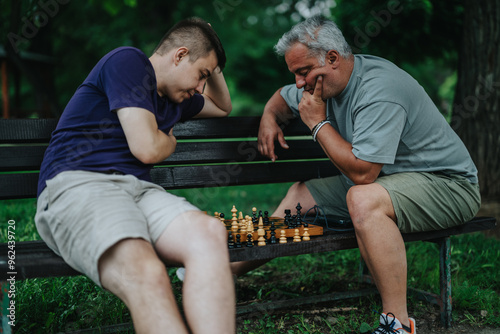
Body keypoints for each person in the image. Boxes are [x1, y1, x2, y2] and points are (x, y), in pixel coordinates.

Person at [232, 16, 481, 334]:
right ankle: (227, 271)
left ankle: (397, 325)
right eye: (294, 72)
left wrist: (318, 124)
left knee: (362, 199)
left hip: (448, 185)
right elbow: (282, 98)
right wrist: (269, 116)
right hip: (392, 181)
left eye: (303, 72)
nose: (298, 83)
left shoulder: (379, 89)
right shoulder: (323, 81)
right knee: (301, 196)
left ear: (332, 58)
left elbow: (363, 174)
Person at [35, 18, 235, 334]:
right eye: (201, 76)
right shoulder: (128, 62)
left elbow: (223, 106)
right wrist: (168, 141)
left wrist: (212, 48)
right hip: (80, 185)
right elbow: (147, 149)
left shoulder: (175, 100)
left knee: (210, 235)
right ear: (180, 55)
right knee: (147, 272)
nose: (201, 88)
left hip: (138, 191)